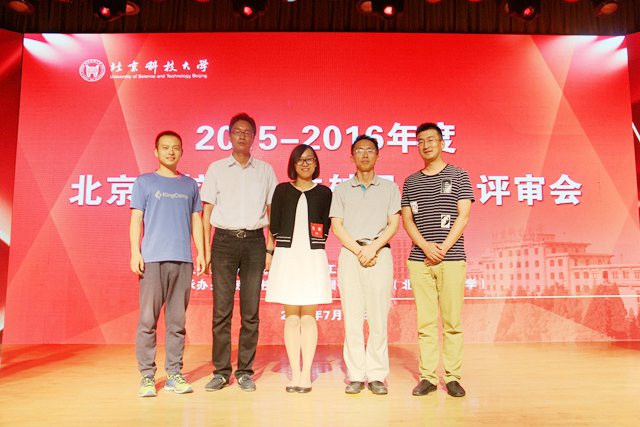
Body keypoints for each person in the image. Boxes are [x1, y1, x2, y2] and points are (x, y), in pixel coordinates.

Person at [200, 113, 277, 392]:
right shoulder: (217, 169)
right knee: (221, 311)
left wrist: (270, 248)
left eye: (247, 132)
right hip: (223, 243)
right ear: (229, 136)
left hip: (255, 243)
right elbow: (206, 212)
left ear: (254, 137)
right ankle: (221, 372)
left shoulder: (265, 170)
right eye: (237, 131)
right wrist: (204, 250)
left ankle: (245, 371)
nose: (242, 136)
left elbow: (273, 212)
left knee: (250, 312)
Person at [130, 130, 205, 397]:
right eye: (165, 147)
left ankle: (174, 374)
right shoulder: (144, 182)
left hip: (182, 260)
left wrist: (201, 252)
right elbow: (136, 218)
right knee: (147, 320)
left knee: (177, 322)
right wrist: (135, 252)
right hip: (152, 260)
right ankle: (147, 377)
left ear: (182, 152)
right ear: (156, 152)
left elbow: (197, 220)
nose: (170, 152)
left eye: (175, 148)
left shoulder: (190, 185)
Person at [401, 122, 474, 398]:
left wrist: (442, 248)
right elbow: (407, 220)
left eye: (431, 139)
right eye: (420, 141)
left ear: (442, 143)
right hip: (419, 261)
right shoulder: (411, 181)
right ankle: (428, 377)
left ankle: (453, 377)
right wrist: (425, 247)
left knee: (452, 322)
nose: (426, 145)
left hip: (451, 258)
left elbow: (463, 216)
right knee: (426, 323)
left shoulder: (459, 175)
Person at [329, 135, 401, 395]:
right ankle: (356, 374)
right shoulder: (341, 190)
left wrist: (373, 248)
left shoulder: (390, 188)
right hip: (351, 254)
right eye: (359, 150)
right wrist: (360, 250)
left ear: (377, 155)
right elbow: (337, 226)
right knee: (353, 317)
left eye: (370, 150)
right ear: (352, 157)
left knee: (378, 318)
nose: (365, 154)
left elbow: (394, 224)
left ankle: (378, 374)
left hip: (380, 253)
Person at [266, 145, 332, 393]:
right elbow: (274, 224)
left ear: (316, 164)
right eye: (300, 160)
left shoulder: (325, 192)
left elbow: (327, 224)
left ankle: (306, 374)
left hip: (313, 256)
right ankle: (294, 372)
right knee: (292, 317)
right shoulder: (282, 190)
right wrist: (270, 253)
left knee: (308, 317)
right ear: (293, 164)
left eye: (310, 159)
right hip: (287, 256)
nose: (305, 164)